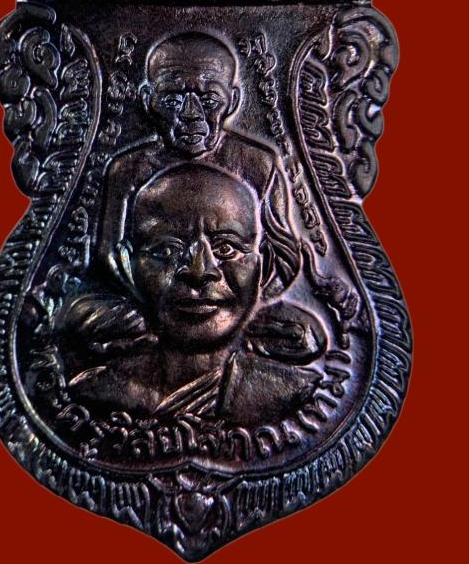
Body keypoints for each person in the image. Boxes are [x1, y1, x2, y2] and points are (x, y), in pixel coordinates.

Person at [57, 163, 326, 426]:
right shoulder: (97, 391)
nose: (199, 272)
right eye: (166, 250)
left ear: (264, 267)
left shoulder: (287, 391)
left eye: (226, 248)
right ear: (127, 266)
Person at [98, 31, 297, 297]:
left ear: (233, 101)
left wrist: (238, 305)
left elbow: (284, 257)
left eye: (209, 100)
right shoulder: (128, 170)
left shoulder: (257, 164)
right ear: (147, 100)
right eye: (172, 100)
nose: (191, 114)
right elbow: (110, 256)